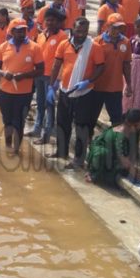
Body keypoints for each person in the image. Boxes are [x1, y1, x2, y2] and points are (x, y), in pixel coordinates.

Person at [47, 17, 105, 168]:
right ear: (73, 28)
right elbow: (56, 65)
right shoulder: (64, 45)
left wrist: (89, 81)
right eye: (79, 30)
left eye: (85, 31)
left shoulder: (94, 47)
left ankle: (79, 160)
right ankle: (61, 151)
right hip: (65, 91)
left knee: (81, 126)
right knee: (62, 123)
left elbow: (100, 67)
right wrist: (51, 86)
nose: (81, 34)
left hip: (84, 93)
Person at [0, 19, 44, 155]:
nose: (22, 33)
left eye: (24, 30)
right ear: (12, 31)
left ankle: (16, 150)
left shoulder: (35, 47)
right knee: (7, 120)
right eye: (18, 30)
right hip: (5, 91)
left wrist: (25, 75)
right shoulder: (3, 47)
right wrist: (3, 73)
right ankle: (8, 145)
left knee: (19, 122)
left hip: (24, 93)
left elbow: (40, 70)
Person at [29, 8, 67, 144]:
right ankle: (37, 129)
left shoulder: (62, 37)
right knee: (40, 104)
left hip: (51, 77)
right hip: (39, 75)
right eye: (47, 20)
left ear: (58, 22)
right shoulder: (40, 35)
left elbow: (63, 60)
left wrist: (57, 80)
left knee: (49, 105)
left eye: (53, 20)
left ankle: (46, 134)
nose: (50, 23)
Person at [86, 108, 140, 186]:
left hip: (113, 154)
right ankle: (94, 172)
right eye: (138, 125)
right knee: (119, 170)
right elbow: (125, 163)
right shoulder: (120, 137)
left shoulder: (129, 130)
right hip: (102, 157)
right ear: (130, 124)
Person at [92, 13, 132, 127]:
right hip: (97, 86)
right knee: (91, 117)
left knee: (117, 120)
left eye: (120, 27)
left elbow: (126, 65)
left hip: (115, 87)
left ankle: (115, 143)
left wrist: (129, 84)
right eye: (114, 27)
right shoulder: (97, 41)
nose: (117, 30)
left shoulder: (126, 42)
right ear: (107, 26)